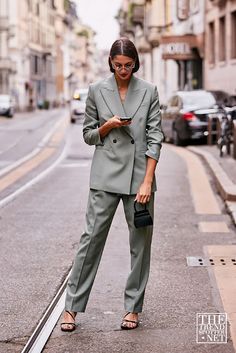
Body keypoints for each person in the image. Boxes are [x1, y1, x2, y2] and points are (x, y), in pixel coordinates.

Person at [60, 37, 164, 332]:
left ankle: (133, 308)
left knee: (140, 245)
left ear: (135, 63)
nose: (123, 70)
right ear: (110, 62)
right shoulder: (96, 91)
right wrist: (107, 126)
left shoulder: (149, 91)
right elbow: (88, 135)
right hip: (105, 176)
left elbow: (155, 138)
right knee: (90, 240)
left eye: (128, 65)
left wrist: (148, 181)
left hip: (138, 178)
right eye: (118, 65)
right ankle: (71, 307)